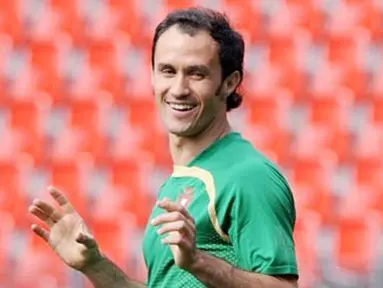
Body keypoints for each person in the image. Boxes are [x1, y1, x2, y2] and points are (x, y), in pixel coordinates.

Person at [28, 6, 299, 288]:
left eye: (196, 74)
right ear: (152, 76)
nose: (179, 88)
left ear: (229, 83)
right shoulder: (182, 180)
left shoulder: (248, 176)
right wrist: (94, 265)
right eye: (168, 71)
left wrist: (198, 262)